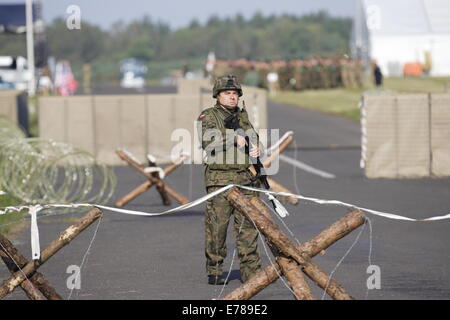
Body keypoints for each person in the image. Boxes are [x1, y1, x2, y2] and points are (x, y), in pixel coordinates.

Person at [197, 75, 262, 285]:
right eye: (227, 93)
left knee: (248, 229)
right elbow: (208, 141)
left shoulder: (243, 117)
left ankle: (251, 274)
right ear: (218, 96)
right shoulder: (209, 115)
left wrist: (254, 145)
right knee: (217, 229)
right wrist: (233, 137)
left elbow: (252, 136)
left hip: (245, 180)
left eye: (235, 93)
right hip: (220, 180)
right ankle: (215, 269)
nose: (232, 97)